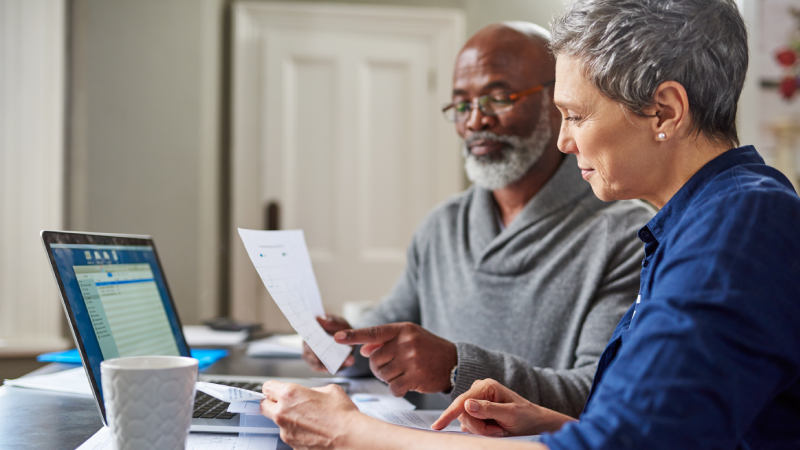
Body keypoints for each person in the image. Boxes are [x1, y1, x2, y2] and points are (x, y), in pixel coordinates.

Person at [257, 0, 800, 449]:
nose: (565, 140)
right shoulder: (694, 222)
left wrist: (351, 432)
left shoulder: (739, 224)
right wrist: (546, 422)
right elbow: (655, 431)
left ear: (664, 111)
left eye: (577, 115)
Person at [302, 21, 654, 417]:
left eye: (498, 97)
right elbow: (389, 337)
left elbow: (599, 389)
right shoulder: (443, 226)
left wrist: (457, 368)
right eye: (462, 104)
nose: (474, 121)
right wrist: (345, 344)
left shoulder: (627, 235)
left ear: (558, 102)